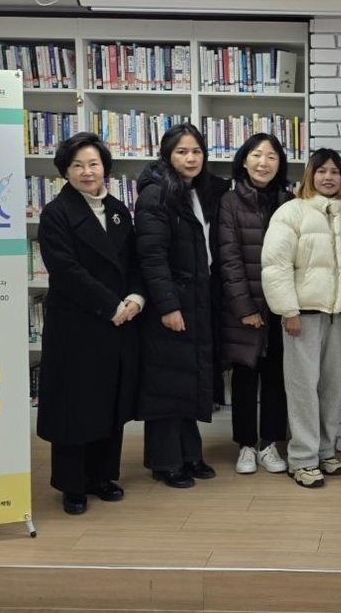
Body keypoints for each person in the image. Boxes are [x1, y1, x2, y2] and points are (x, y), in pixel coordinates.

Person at [36, 132, 144, 515]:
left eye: (93, 164)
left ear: (104, 168)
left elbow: (133, 261)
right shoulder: (56, 213)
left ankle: (102, 475)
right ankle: (72, 484)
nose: (87, 171)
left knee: (107, 401)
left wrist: (135, 298)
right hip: (77, 325)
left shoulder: (118, 209)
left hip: (118, 322)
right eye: (78, 165)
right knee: (74, 405)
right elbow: (66, 270)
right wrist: (110, 305)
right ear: (65, 170)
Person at [262, 149, 341, 488]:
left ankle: (325, 450)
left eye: (335, 171)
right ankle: (302, 459)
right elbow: (276, 265)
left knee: (331, 387)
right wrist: (288, 311)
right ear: (310, 175)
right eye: (322, 171)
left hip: (336, 316)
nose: (328, 177)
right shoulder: (291, 212)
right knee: (302, 389)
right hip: (302, 317)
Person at [134, 123, 219, 489]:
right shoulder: (156, 193)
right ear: (167, 155)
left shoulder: (193, 190)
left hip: (195, 298)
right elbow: (151, 257)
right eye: (182, 151)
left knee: (187, 378)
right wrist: (168, 305)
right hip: (170, 302)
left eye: (196, 151)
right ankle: (165, 460)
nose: (191, 158)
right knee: (166, 382)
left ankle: (188, 453)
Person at [216, 133, 294, 475]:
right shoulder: (229, 201)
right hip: (244, 307)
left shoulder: (289, 201)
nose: (264, 162)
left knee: (277, 377)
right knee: (245, 377)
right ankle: (246, 445)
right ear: (244, 160)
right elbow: (229, 259)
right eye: (257, 155)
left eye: (272, 156)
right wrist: (245, 308)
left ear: (280, 164)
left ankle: (270, 444)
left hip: (279, 307)